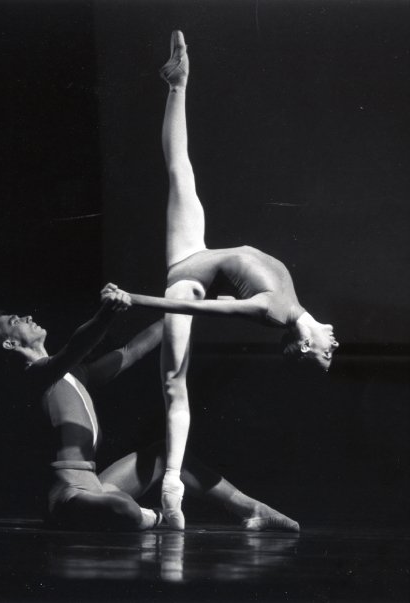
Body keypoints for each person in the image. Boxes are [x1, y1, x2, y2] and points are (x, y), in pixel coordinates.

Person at [123, 31, 339, 529]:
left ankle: (172, 489)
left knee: (175, 386)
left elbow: (200, 307)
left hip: (186, 285)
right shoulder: (293, 301)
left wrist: (136, 299)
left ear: (307, 346)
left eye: (328, 353)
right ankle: (177, 84)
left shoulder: (273, 311)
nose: (335, 344)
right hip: (193, 251)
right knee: (180, 169)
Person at [0, 283, 299, 532]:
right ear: (10, 344)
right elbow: (76, 347)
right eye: (15, 321)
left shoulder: (75, 373)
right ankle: (154, 517)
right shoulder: (33, 376)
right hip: (68, 494)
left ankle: (253, 510)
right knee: (121, 507)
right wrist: (107, 313)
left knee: (165, 454)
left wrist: (192, 310)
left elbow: (131, 350)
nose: (26, 317)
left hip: (96, 485)